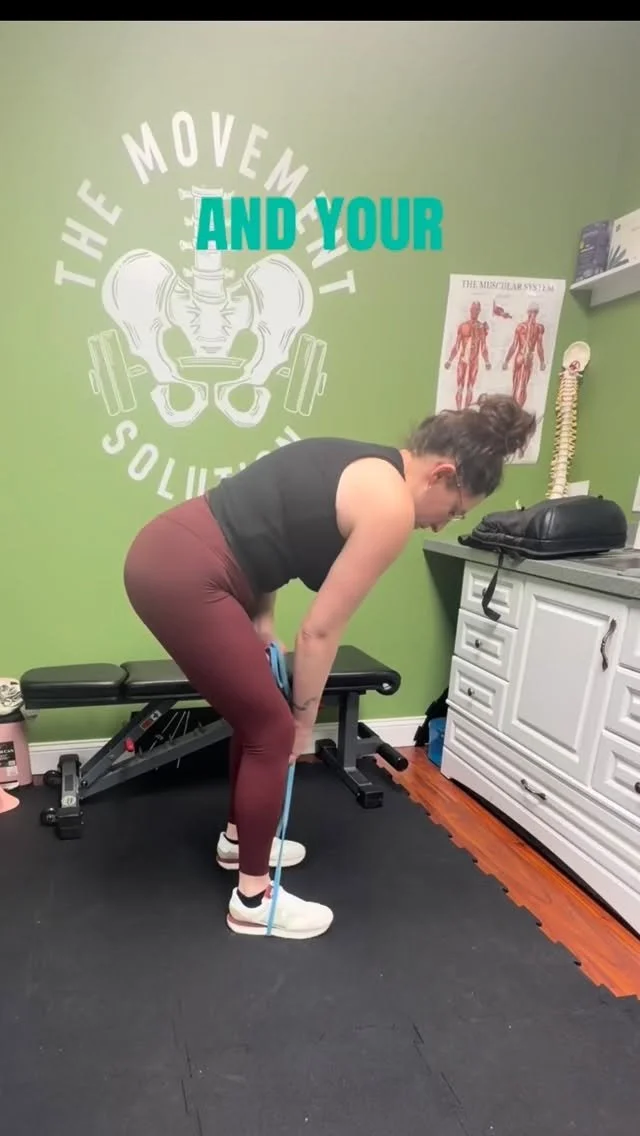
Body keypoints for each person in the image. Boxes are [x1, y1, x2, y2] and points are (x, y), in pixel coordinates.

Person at [123, 393, 536, 940]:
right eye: (455, 510)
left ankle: (238, 843)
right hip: (185, 572)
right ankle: (253, 899)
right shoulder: (390, 506)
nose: (442, 526)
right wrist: (303, 721)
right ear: (442, 474)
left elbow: (263, 529)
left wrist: (262, 619)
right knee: (272, 730)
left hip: (171, 554)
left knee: (257, 718)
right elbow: (319, 632)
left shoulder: (354, 459)